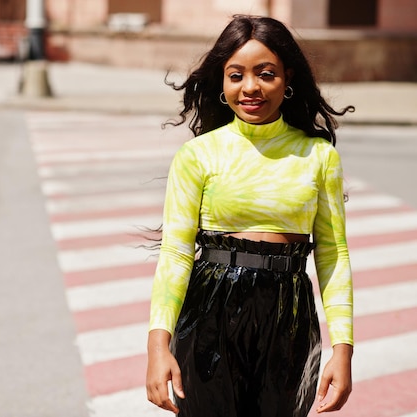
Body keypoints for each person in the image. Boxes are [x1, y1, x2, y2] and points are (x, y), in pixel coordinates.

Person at [146, 15, 354, 417]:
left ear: (287, 79)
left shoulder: (319, 157)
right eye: (236, 75)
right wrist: (158, 347)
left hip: (288, 314)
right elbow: (175, 253)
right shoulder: (197, 156)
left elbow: (333, 256)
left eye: (266, 74)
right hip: (209, 309)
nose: (251, 88)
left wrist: (343, 350)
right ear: (222, 83)